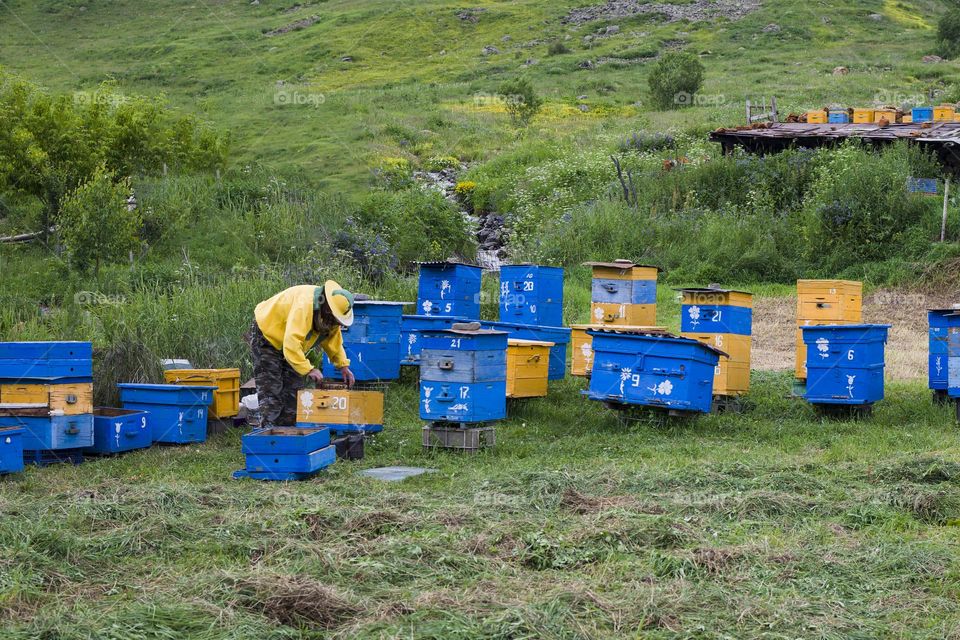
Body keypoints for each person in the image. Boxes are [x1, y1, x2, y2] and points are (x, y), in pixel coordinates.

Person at [249, 282, 356, 427]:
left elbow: (333, 341)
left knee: (294, 394)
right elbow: (291, 344)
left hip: (290, 344)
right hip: (267, 335)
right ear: (328, 309)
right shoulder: (304, 306)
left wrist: (343, 366)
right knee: (271, 393)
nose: (335, 323)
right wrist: (309, 369)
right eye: (334, 319)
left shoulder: (329, 317)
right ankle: (269, 440)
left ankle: (288, 438)